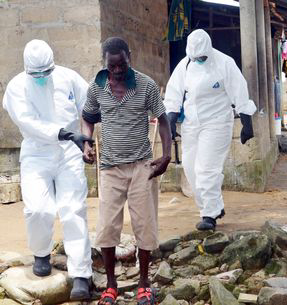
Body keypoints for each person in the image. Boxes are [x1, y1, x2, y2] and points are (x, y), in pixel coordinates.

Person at [81, 37, 172, 304]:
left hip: (142, 166)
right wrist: (86, 143)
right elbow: (87, 118)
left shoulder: (146, 85)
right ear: (105, 63)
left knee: (145, 226)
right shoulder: (96, 87)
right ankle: (111, 285)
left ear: (129, 57)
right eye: (113, 66)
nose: (118, 70)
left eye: (122, 64)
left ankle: (144, 283)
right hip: (110, 168)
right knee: (107, 228)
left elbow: (163, 121)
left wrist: (166, 155)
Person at [2, 40, 92, 300]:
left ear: (53, 64)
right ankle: (41, 254)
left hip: (69, 153)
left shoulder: (69, 77)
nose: (41, 77)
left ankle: (81, 275)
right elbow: (28, 122)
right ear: (27, 69)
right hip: (36, 152)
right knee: (37, 209)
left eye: (46, 72)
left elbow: (88, 108)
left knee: (73, 209)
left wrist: (85, 139)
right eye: (36, 74)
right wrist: (65, 133)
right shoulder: (17, 86)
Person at [164, 29, 256, 231]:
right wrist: (170, 121)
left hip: (217, 123)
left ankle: (209, 214)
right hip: (191, 124)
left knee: (206, 169)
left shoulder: (225, 63)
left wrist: (247, 124)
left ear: (209, 49)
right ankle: (214, 206)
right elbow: (173, 93)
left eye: (202, 57)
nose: (199, 60)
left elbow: (239, 93)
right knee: (190, 167)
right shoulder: (186, 64)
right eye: (196, 57)